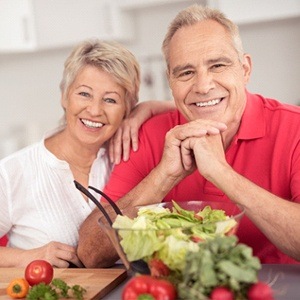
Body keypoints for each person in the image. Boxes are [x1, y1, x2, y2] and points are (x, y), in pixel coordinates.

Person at [78, 4, 300, 268]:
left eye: (217, 65)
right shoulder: (148, 135)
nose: (203, 86)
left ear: (245, 69)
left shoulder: (294, 127)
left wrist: (221, 173)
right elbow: (90, 253)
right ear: (170, 81)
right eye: (186, 72)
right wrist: (165, 175)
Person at [0, 39, 174, 268]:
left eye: (110, 99)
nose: (94, 110)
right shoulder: (12, 172)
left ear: (128, 108)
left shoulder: (129, 155)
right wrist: (28, 256)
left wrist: (150, 107)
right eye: (84, 94)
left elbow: (196, 108)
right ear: (64, 96)